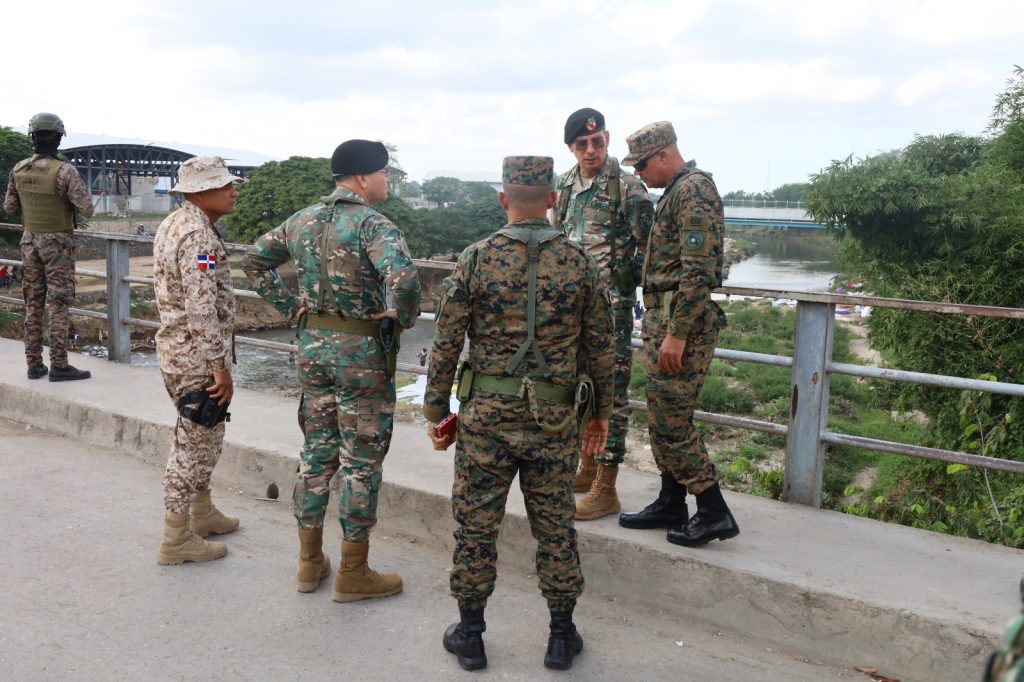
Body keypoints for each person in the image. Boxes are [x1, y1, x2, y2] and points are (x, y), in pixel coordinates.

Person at [424, 156, 614, 671]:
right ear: (553, 200)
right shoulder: (580, 262)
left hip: (486, 416)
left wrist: (437, 409)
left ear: (504, 200)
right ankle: (559, 635)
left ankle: (470, 633)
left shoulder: (476, 258)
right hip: (553, 421)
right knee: (555, 525)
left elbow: (445, 341)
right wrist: (600, 414)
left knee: (476, 524)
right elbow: (602, 347)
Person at [243, 140, 421, 601]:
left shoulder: (301, 220)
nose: (388, 180)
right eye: (385, 173)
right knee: (360, 462)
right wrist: (401, 315)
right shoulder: (372, 224)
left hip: (312, 351)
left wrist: (293, 308)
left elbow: (254, 261)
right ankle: (353, 572)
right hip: (360, 355)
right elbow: (403, 278)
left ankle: (308, 564)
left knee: (317, 452)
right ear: (362, 178)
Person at [618, 121, 739, 547]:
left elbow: (698, 271)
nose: (638, 174)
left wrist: (678, 334)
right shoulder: (676, 191)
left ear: (664, 156)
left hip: (679, 327)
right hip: (664, 322)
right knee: (659, 416)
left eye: (643, 164)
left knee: (673, 421)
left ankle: (712, 510)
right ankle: (672, 500)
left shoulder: (693, 190)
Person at [552, 108, 654, 522]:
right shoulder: (563, 185)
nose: (590, 149)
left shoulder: (629, 189)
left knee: (611, 392)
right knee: (578, 386)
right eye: (582, 144)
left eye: (597, 141)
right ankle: (587, 467)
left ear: (607, 139)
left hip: (610, 310)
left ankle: (607, 486)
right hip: (571, 308)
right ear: (571, 147)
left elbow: (649, 251)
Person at [153, 156, 244, 565]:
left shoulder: (176, 223)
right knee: (192, 444)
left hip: (178, 351)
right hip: (196, 359)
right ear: (200, 192)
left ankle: (201, 513)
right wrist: (218, 368)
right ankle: (176, 537)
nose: (233, 191)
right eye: (224, 186)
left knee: (207, 434)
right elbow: (201, 309)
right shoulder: (199, 237)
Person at [4, 112, 94, 381]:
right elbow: (87, 210)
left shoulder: (18, 169)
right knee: (58, 304)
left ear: (33, 137)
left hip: (29, 243)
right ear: (57, 138)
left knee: (33, 304)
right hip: (58, 248)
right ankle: (59, 365)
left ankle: (34, 365)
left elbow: (9, 208)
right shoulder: (65, 171)